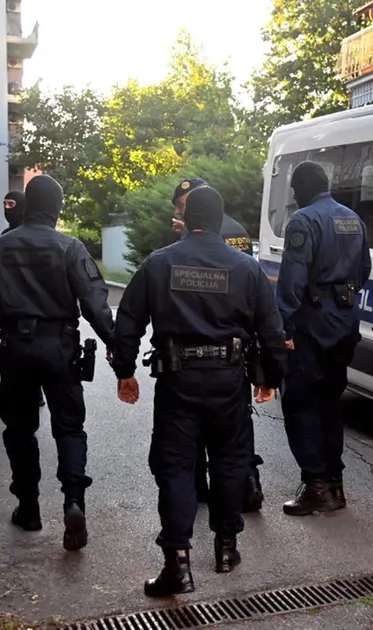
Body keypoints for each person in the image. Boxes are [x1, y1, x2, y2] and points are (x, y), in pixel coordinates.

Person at [112, 185, 287, 597]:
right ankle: (227, 549)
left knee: (175, 467)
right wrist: (270, 378)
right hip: (229, 381)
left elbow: (129, 321)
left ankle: (178, 564)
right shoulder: (245, 267)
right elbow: (272, 329)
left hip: (179, 380)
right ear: (220, 219)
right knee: (230, 462)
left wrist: (125, 370)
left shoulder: (159, 263)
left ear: (186, 219)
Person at [0, 174, 114, 551]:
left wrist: (0, 315)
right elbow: (95, 304)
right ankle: (74, 502)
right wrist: (118, 347)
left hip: (16, 348)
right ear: (58, 208)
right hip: (59, 348)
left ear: (26, 205)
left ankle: (28, 509)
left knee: (19, 428)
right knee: (69, 428)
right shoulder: (70, 247)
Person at [276, 161, 371, 516]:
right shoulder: (353, 218)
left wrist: (281, 329)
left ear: (300, 189)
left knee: (300, 403)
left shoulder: (303, 221)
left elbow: (292, 281)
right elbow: (362, 270)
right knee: (331, 403)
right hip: (344, 322)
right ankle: (334, 483)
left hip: (311, 325)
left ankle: (316, 485)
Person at [171, 177, 265, 512]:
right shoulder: (236, 229)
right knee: (238, 420)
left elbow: (202, 281)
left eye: (183, 204)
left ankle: (205, 486)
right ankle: (248, 481)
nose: (180, 210)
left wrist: (184, 237)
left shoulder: (202, 236)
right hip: (236, 339)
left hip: (204, 340)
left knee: (200, 423)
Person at [0, 190, 46, 409]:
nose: (8, 209)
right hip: (13, 312)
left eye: (12, 204)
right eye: (5, 205)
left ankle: (34, 393)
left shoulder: (40, 237)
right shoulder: (3, 237)